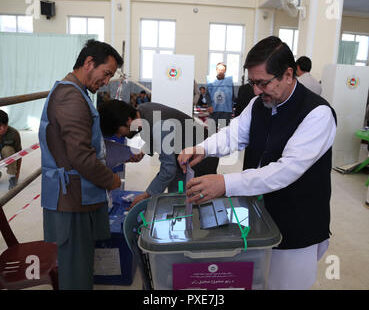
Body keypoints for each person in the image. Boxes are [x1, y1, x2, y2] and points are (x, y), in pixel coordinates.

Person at [178, 36, 337, 290]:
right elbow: (234, 134)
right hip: (260, 215)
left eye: (262, 83)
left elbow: (285, 171)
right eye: (252, 82)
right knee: (256, 279)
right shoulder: (259, 104)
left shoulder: (317, 114)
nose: (255, 90)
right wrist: (203, 148)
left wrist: (225, 183)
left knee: (285, 284)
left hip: (298, 222)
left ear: (287, 74)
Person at [38, 39, 123, 290]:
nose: (106, 81)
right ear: (88, 63)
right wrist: (112, 180)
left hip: (77, 194)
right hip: (71, 199)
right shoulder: (70, 97)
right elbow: (81, 156)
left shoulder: (78, 93)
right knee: (75, 270)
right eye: (106, 73)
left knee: (81, 262)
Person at [98, 100, 219, 208]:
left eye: (117, 131)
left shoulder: (158, 125)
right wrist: (144, 151)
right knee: (176, 195)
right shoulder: (142, 110)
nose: (119, 136)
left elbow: (168, 169)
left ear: (128, 121)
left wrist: (146, 194)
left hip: (202, 157)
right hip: (183, 154)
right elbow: (156, 136)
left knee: (195, 200)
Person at [207, 62, 235, 129]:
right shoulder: (211, 81)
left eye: (222, 70)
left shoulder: (229, 81)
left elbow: (233, 95)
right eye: (219, 69)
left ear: (225, 71)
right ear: (216, 70)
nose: (220, 71)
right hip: (214, 110)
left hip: (226, 111)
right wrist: (209, 105)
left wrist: (232, 106)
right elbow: (207, 95)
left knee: (223, 132)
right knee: (212, 131)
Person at [0, 110, 22, 190]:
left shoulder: (14, 133)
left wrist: (16, 175)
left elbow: (19, 155)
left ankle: (12, 178)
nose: (3, 129)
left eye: (5, 125)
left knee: (8, 150)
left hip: (7, 157)